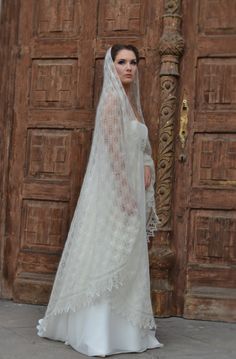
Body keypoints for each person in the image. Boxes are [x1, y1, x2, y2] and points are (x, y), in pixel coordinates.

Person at [37, 44, 163, 356]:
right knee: (110, 254)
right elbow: (113, 153)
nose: (129, 68)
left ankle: (128, 333)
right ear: (112, 66)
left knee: (130, 256)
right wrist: (124, 193)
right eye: (122, 62)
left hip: (134, 187)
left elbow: (141, 148)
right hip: (116, 193)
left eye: (133, 62)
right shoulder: (110, 103)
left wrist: (147, 168)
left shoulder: (132, 104)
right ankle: (99, 333)